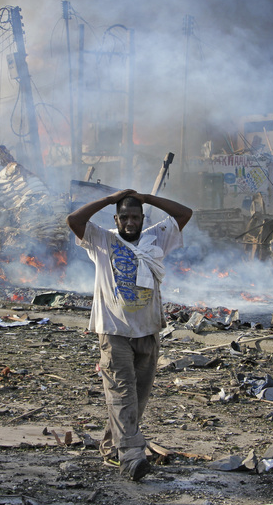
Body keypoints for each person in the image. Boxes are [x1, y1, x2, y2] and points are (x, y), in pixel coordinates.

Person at [67, 188, 192, 482]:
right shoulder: (102, 239)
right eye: (125, 217)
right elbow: (74, 219)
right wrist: (111, 198)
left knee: (137, 399)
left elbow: (184, 214)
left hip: (148, 331)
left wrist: (147, 197)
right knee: (122, 394)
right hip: (113, 332)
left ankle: (112, 445)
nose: (130, 222)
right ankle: (131, 457)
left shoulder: (155, 237)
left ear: (142, 217)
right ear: (117, 218)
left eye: (135, 216)